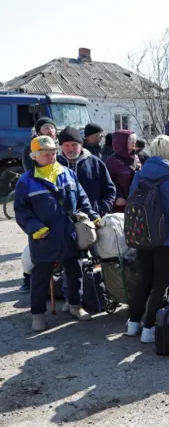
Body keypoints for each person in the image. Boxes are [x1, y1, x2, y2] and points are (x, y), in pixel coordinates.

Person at [14, 136, 100, 331]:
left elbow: (82, 198)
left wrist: (92, 216)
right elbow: (21, 211)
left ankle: (75, 306)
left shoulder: (68, 173)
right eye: (46, 154)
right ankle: (38, 315)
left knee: (75, 271)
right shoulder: (26, 181)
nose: (51, 157)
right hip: (43, 238)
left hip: (69, 233)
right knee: (40, 277)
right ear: (34, 156)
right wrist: (36, 228)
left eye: (53, 152)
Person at [126, 135, 169, 343]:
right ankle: (149, 329)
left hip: (143, 236)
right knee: (161, 284)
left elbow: (131, 201)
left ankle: (133, 323)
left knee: (144, 279)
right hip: (168, 239)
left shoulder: (140, 175)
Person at [57, 126, 116, 217]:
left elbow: (109, 190)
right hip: (63, 221)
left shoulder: (95, 162)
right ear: (61, 147)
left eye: (74, 145)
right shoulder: (55, 165)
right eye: (67, 145)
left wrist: (100, 210)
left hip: (92, 219)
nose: (71, 149)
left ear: (81, 145)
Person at [105, 130, 140, 213]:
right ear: (122, 142)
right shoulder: (112, 161)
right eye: (130, 139)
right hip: (119, 206)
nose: (134, 142)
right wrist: (116, 198)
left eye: (135, 139)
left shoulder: (136, 158)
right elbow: (106, 183)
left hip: (136, 203)